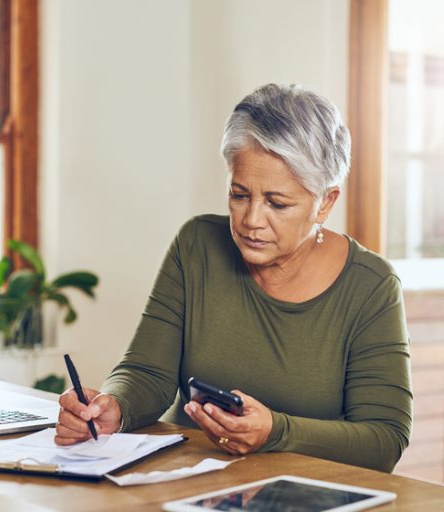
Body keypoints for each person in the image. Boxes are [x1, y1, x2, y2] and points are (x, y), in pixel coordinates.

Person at [54, 83, 412, 473]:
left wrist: (276, 430)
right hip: (183, 482)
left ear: (325, 202)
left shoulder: (372, 286)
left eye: (277, 203)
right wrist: (115, 407)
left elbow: (384, 439)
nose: (251, 221)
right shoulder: (197, 245)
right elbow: (147, 372)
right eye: (239, 195)